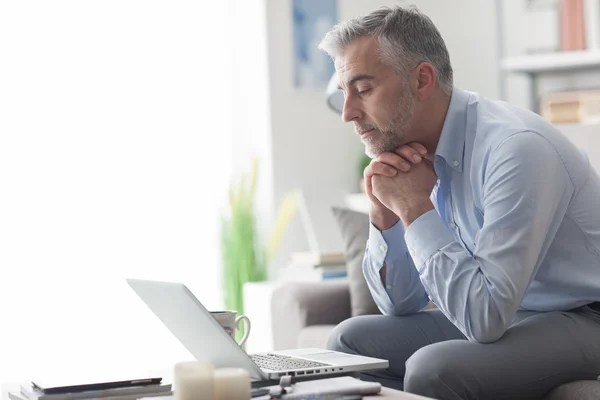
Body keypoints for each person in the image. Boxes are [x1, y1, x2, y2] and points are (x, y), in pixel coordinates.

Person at [318, 5, 600, 400]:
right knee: (350, 343)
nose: (348, 112)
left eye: (363, 90)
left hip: (585, 316)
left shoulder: (515, 149)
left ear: (422, 79)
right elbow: (399, 305)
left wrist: (416, 209)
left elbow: (485, 318)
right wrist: (386, 218)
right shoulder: (411, 156)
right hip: (514, 314)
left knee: (434, 370)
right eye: (344, 93)